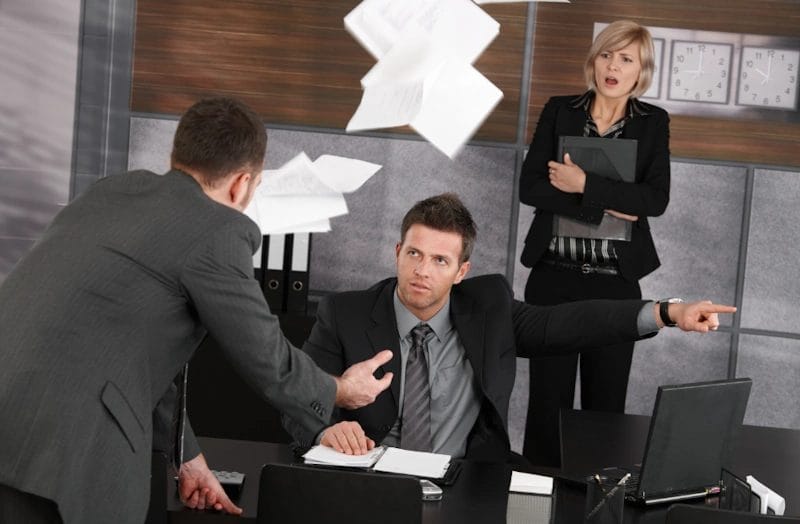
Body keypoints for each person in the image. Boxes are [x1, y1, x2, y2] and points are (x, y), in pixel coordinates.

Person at [0, 97, 393, 524]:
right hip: (66, 450)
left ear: (178, 154)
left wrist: (187, 457)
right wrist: (340, 389)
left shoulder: (111, 191)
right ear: (243, 184)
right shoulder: (218, 232)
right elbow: (268, 362)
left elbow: (128, 352)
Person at [283, 193, 732, 462]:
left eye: (440, 260)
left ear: (461, 271)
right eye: (415, 254)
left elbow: (569, 322)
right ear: (398, 251)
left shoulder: (488, 308)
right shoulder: (346, 313)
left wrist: (668, 312)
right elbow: (295, 399)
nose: (423, 270)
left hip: (466, 479)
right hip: (374, 480)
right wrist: (324, 430)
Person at [518, 20, 671, 467]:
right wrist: (608, 203)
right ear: (594, 59)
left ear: (640, 70)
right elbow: (532, 187)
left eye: (626, 58)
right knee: (547, 408)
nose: (613, 66)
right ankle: (539, 495)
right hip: (553, 282)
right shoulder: (560, 110)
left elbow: (654, 201)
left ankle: (595, 503)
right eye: (607, 54)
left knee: (605, 409)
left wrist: (584, 183)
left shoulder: (652, 122)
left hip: (614, 286)